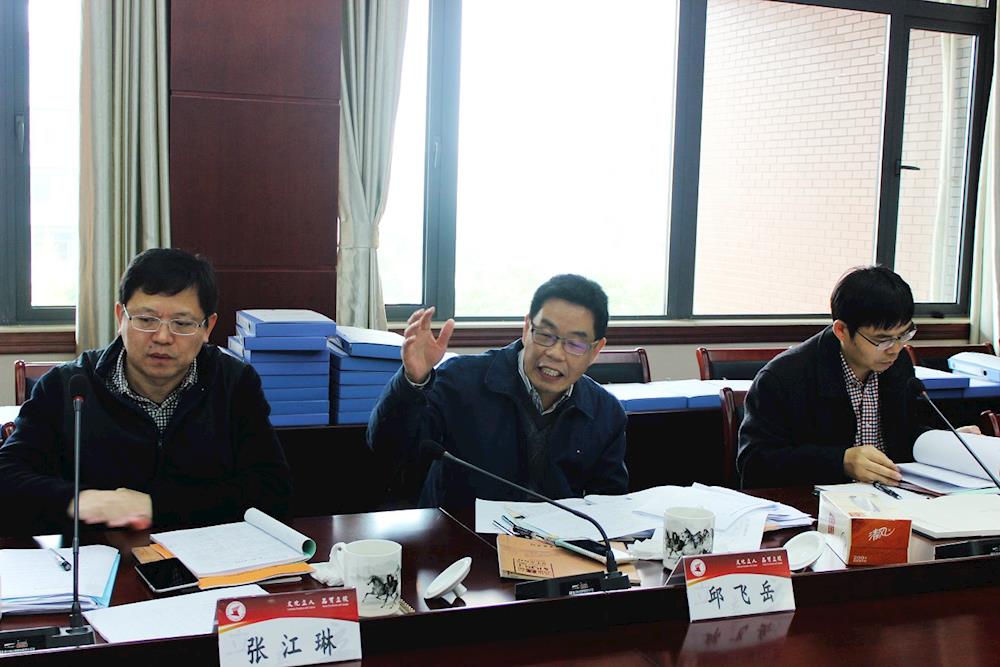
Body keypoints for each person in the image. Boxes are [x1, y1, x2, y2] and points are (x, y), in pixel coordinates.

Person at [0, 248, 292, 534]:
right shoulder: (66, 387)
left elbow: (272, 489)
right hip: (98, 558)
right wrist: (80, 501)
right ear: (121, 317)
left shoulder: (235, 383)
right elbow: (7, 480)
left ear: (207, 327)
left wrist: (153, 506)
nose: (162, 337)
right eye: (146, 320)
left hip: (209, 559)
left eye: (182, 323)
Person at [368, 274, 628, 508]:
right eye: (545, 334)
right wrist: (413, 381)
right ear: (526, 328)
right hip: (462, 537)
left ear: (595, 350)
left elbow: (610, 505)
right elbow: (387, 448)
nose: (555, 353)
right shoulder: (460, 381)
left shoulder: (606, 412)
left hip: (558, 543)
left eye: (575, 344)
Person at [737, 265, 978, 488]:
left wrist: (943, 443)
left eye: (904, 335)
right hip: (819, 504)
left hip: (893, 497)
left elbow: (904, 434)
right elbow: (754, 464)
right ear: (842, 330)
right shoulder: (783, 378)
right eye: (882, 339)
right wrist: (840, 461)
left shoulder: (898, 364)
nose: (895, 349)